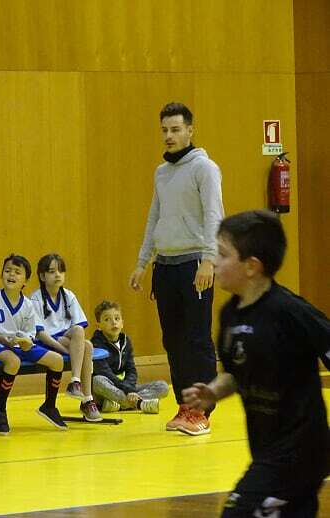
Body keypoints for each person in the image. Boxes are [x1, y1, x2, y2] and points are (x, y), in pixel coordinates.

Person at [183, 210, 329, 517]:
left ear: (252, 266)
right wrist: (213, 391)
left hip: (299, 453)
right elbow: (236, 374)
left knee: (238, 512)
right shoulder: (230, 314)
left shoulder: (289, 312)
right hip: (266, 448)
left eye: (223, 255)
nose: (215, 262)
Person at [128, 102, 224, 435]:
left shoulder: (205, 168)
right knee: (173, 340)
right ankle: (185, 406)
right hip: (166, 267)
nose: (169, 136)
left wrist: (209, 259)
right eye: (165, 130)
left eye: (175, 129)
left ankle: (202, 410)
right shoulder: (162, 173)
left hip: (195, 264)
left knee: (197, 340)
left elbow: (214, 214)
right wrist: (143, 262)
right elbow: (155, 217)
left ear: (190, 130)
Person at [0, 254, 68, 434]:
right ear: (1, 274)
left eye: (17, 272)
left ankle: (49, 406)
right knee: (13, 361)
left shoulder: (28, 305)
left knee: (57, 361)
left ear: (25, 281)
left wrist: (26, 343)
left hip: (17, 345)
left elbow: (30, 334)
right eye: (7, 270)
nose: (11, 274)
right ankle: (0, 409)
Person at [31, 253, 101, 421]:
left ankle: (85, 396)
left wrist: (71, 348)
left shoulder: (69, 296)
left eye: (61, 271)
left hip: (65, 338)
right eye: (52, 271)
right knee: (84, 344)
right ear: (42, 276)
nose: (57, 275)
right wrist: (65, 350)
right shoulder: (35, 298)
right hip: (45, 342)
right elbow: (39, 333)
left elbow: (79, 326)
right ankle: (79, 389)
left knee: (86, 342)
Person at [90, 300, 169, 414]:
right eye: (107, 319)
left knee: (163, 386)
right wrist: (128, 390)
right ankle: (139, 403)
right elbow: (104, 372)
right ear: (99, 326)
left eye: (117, 318)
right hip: (106, 389)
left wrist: (130, 389)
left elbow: (131, 369)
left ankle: (119, 404)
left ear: (122, 323)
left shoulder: (126, 342)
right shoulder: (96, 344)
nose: (113, 322)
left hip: (123, 387)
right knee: (97, 381)